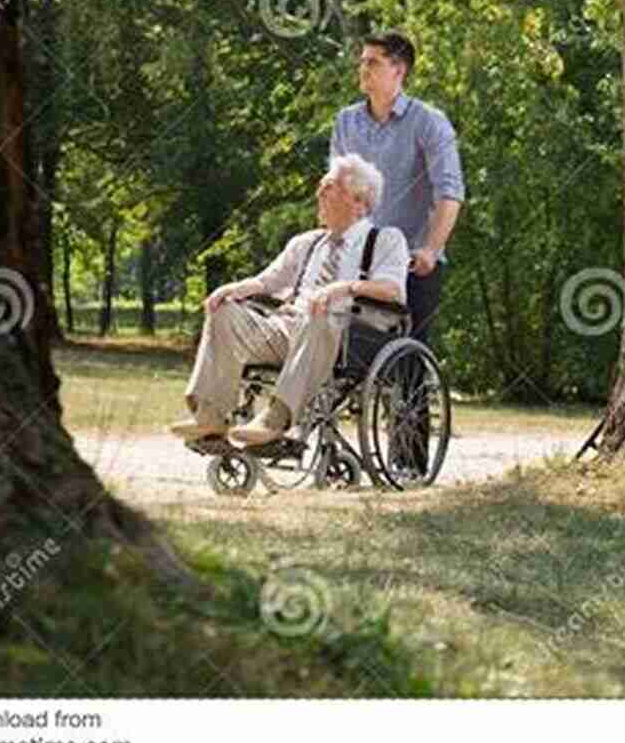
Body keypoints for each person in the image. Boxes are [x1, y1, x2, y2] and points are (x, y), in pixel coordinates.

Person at [168, 155, 408, 448]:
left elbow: (392, 289)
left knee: (323, 314)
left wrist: (342, 288)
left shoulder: (385, 240)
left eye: (329, 186)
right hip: (288, 329)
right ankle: (211, 415)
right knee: (225, 312)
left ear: (359, 202)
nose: (319, 192)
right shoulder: (306, 243)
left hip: (345, 336)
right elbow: (267, 281)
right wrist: (231, 289)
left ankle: (275, 420)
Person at [328, 30, 464, 345]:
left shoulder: (429, 122)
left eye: (373, 63)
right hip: (356, 257)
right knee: (341, 352)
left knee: (406, 358)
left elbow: (450, 191)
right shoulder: (346, 122)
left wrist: (431, 249)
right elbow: (336, 190)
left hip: (412, 262)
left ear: (399, 70)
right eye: (362, 62)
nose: (363, 70)